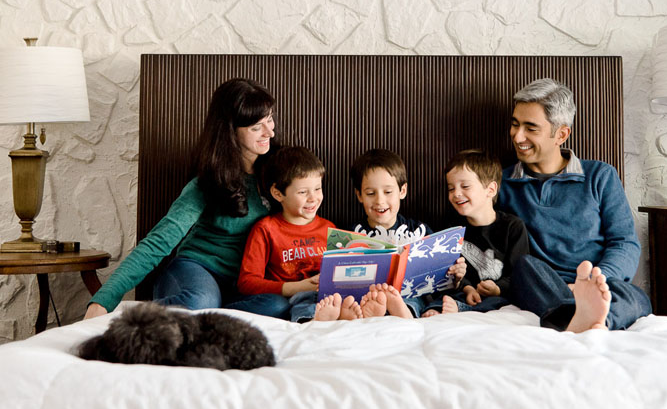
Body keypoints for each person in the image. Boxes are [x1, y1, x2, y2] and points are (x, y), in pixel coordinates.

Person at [84, 78, 289, 319]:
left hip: (244, 283)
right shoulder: (206, 184)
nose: (270, 132)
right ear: (230, 131)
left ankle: (210, 317)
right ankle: (140, 317)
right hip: (196, 269)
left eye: (270, 119)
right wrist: (103, 301)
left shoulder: (281, 172)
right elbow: (158, 242)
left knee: (278, 306)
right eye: (257, 127)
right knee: (200, 300)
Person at [497, 78, 652, 332]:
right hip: (543, 284)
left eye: (530, 128)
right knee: (524, 267)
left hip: (596, 280)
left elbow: (624, 243)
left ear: (561, 134)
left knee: (636, 297)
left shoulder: (600, 175)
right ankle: (576, 314)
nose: (517, 135)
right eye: (515, 124)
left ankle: (595, 319)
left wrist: (593, 284)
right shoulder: (500, 184)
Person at [232, 146, 362, 322]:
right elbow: (247, 283)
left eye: (317, 189)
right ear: (278, 194)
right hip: (290, 298)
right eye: (303, 192)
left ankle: (336, 314)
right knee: (278, 305)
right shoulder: (266, 229)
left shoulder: (329, 229)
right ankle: (312, 319)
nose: (313, 198)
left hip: (327, 297)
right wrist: (295, 287)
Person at [346, 148, 466, 318]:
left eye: (388, 192)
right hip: (368, 298)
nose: (380, 200)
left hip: (409, 297)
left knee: (420, 300)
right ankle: (377, 310)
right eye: (371, 193)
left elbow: (442, 276)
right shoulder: (351, 235)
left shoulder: (419, 231)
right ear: (359, 195)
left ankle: (405, 310)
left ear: (402, 191)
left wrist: (456, 275)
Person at [422, 149, 529, 317]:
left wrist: (498, 288)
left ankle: (461, 310)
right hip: (463, 293)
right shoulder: (453, 229)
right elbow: (449, 269)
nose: (456, 194)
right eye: (451, 188)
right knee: (439, 296)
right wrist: (467, 287)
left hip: (496, 295)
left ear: (491, 189)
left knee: (501, 304)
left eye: (465, 186)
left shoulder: (512, 227)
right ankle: (435, 309)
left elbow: (518, 273)